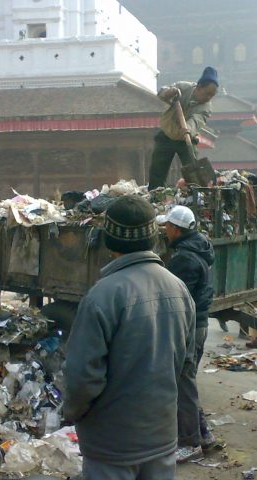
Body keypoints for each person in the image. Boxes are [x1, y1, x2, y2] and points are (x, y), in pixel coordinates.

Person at [63, 196, 196, 480]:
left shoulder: (102, 295)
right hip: (161, 438)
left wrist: (73, 413)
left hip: (112, 444)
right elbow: (184, 363)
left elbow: (81, 377)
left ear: (109, 239)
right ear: (152, 237)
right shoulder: (179, 288)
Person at [157, 205, 216, 462]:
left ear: (176, 228)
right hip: (198, 323)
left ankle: (190, 443)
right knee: (187, 380)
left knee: (183, 382)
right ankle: (204, 434)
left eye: (167, 226)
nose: (165, 231)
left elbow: (176, 298)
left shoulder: (184, 258)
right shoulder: (198, 248)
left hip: (189, 325)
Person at [147, 67, 219, 190]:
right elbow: (162, 93)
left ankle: (196, 195)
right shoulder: (183, 87)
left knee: (193, 171)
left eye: (212, 95)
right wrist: (169, 93)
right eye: (207, 93)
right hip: (167, 134)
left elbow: (196, 121)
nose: (209, 98)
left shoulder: (206, 108)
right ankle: (156, 195)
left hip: (187, 140)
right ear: (199, 87)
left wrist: (188, 130)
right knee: (157, 171)